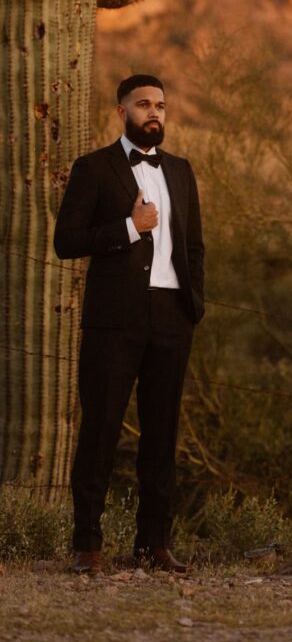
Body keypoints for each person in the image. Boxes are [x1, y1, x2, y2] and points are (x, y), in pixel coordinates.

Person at [54, 74, 204, 575]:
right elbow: (67, 241)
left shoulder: (181, 171)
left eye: (160, 104)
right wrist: (128, 228)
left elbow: (195, 246)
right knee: (100, 431)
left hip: (171, 317)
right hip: (113, 320)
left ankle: (153, 545)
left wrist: (193, 305)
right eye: (143, 104)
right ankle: (87, 548)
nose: (154, 112)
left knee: (161, 436)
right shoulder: (94, 168)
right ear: (122, 112)